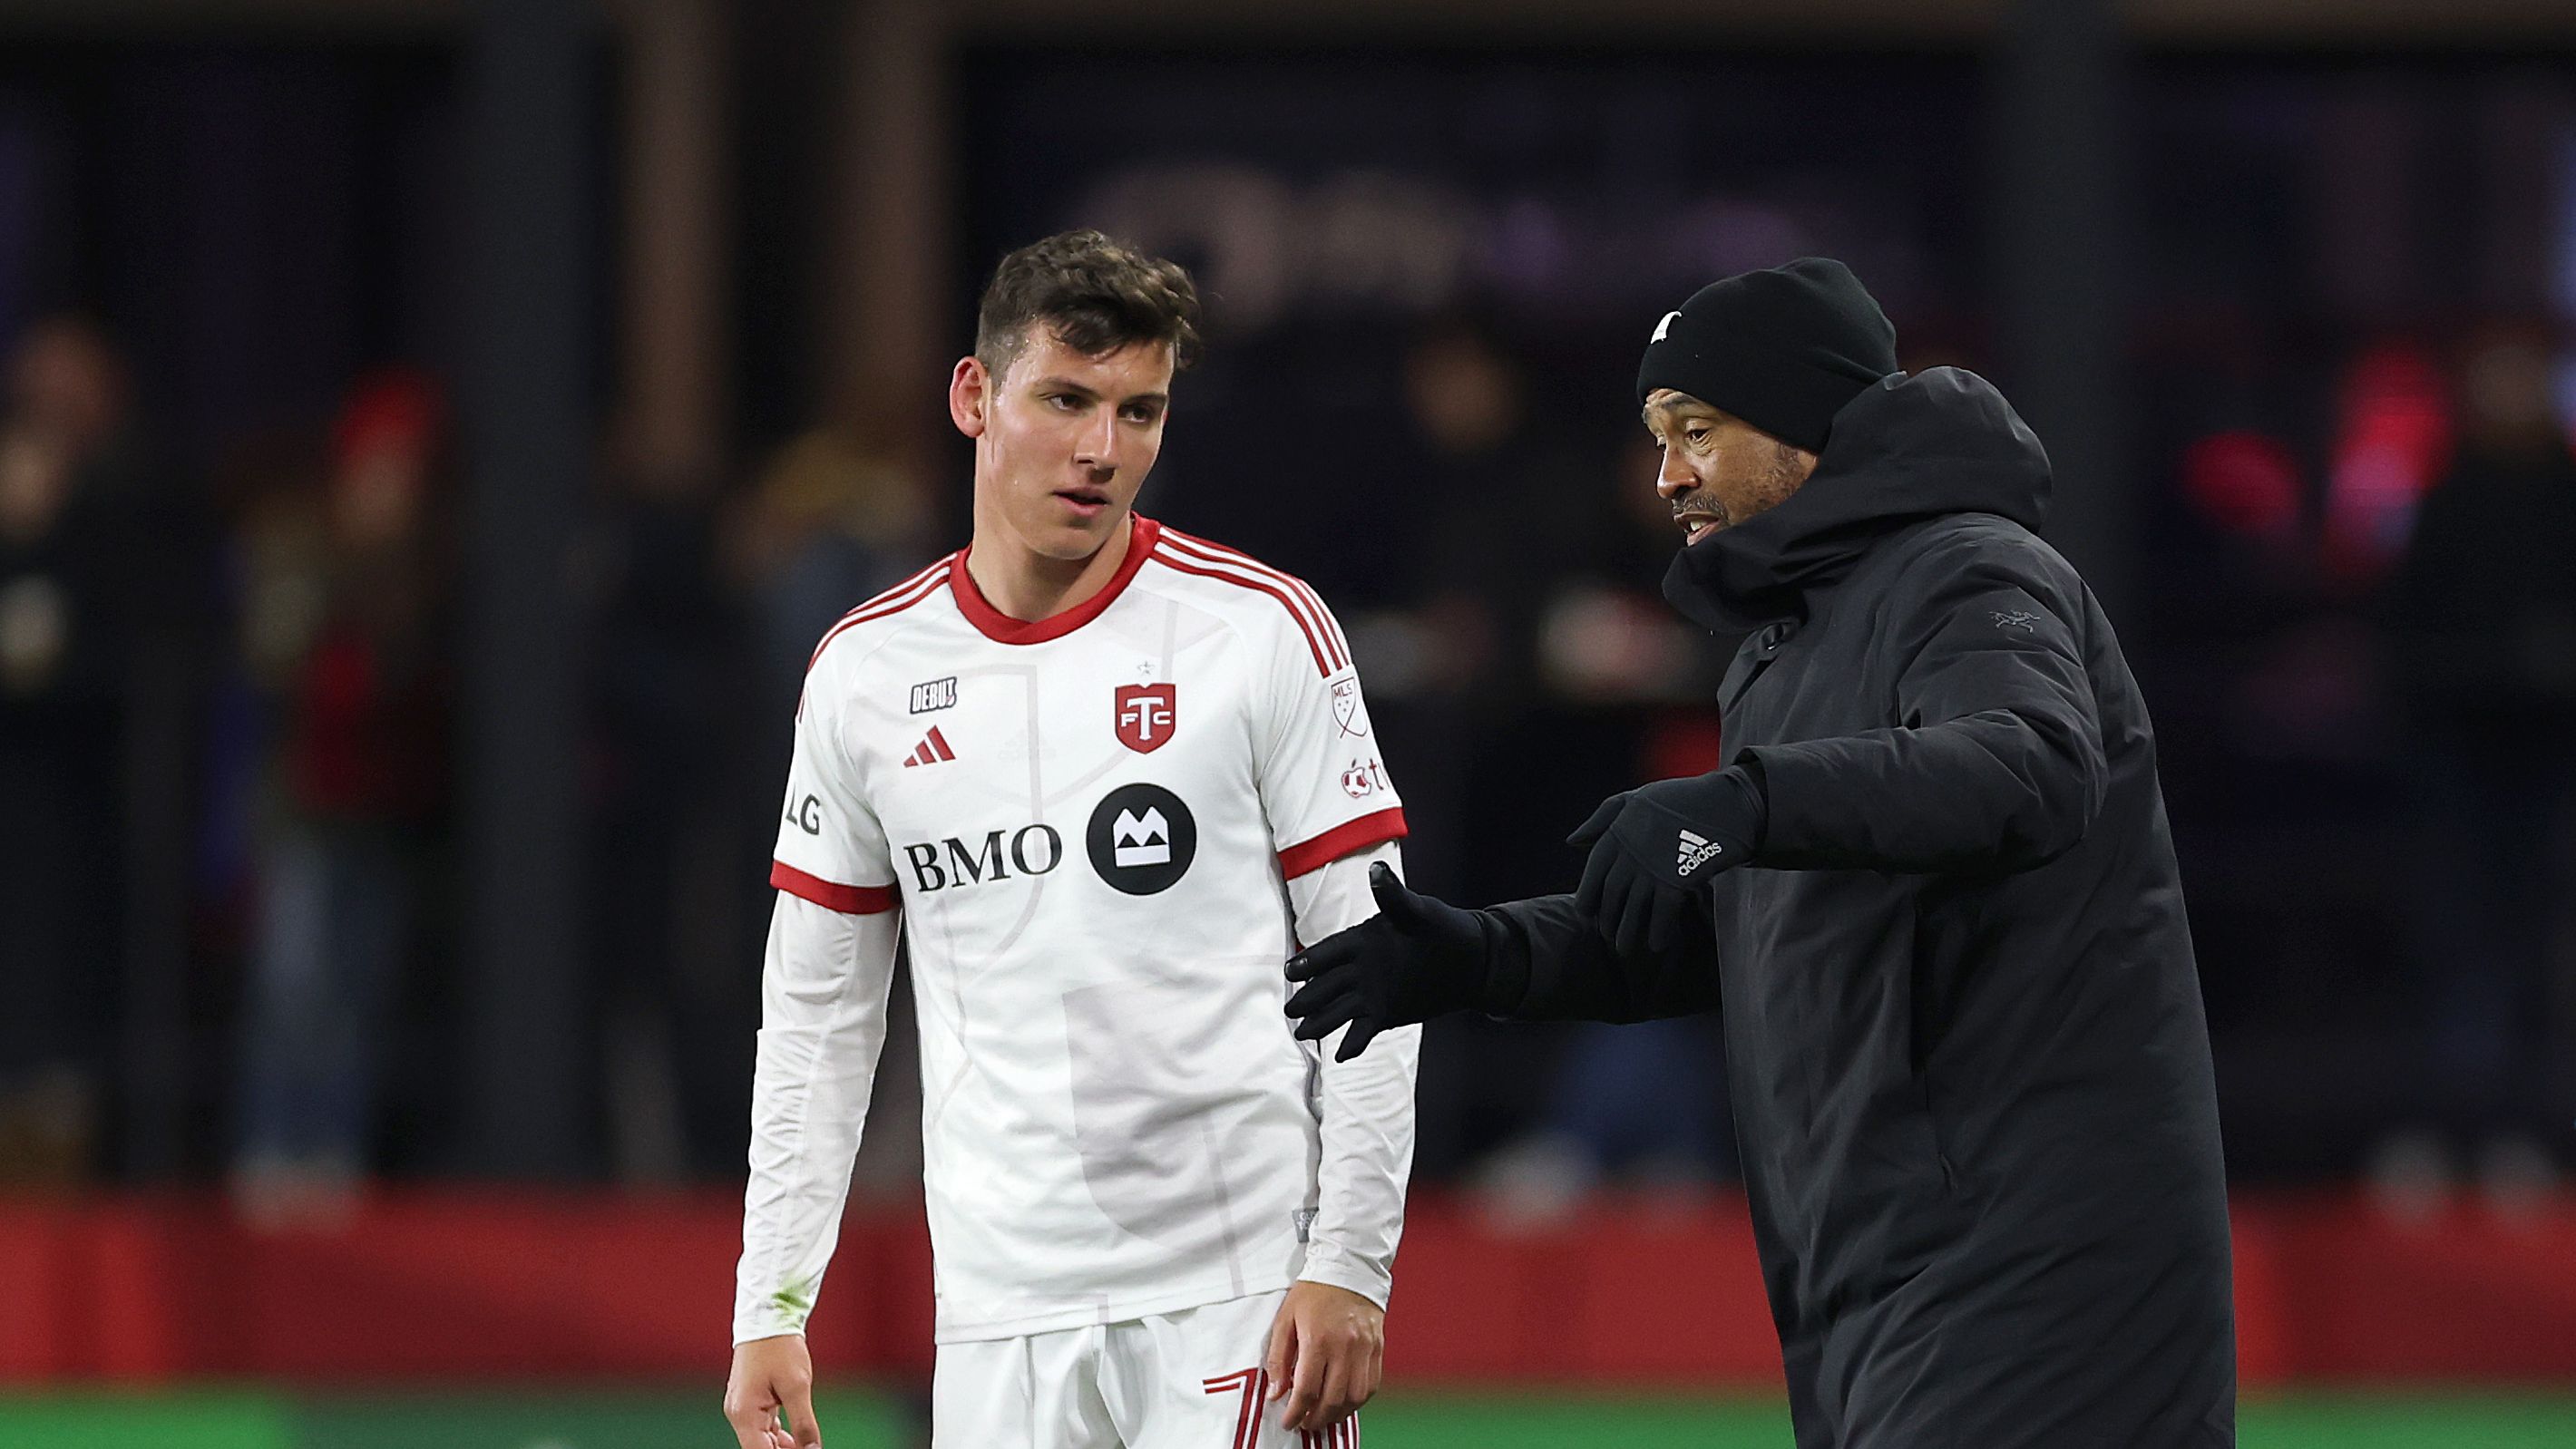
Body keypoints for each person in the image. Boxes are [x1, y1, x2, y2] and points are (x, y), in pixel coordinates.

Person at [1285, 258, 2236, 1446]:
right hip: (1871, 1285)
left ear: (1806, 427)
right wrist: (1475, 955)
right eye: (1657, 436)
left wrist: (1739, 802)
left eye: (1696, 430)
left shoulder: (1975, 571)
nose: (1667, 473)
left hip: (2039, 1275)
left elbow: (2030, 764)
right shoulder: (1780, 654)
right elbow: (1727, 934)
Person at [724, 231, 1419, 1449]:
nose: (1104, 449)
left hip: (1239, 1306)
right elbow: (820, 1014)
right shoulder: (864, 674)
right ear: (974, 396)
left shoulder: (1257, 632)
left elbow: (1380, 959)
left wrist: (1351, 1260)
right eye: (1066, 400)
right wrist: (770, 1299)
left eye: (1140, 411)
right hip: (998, 1323)